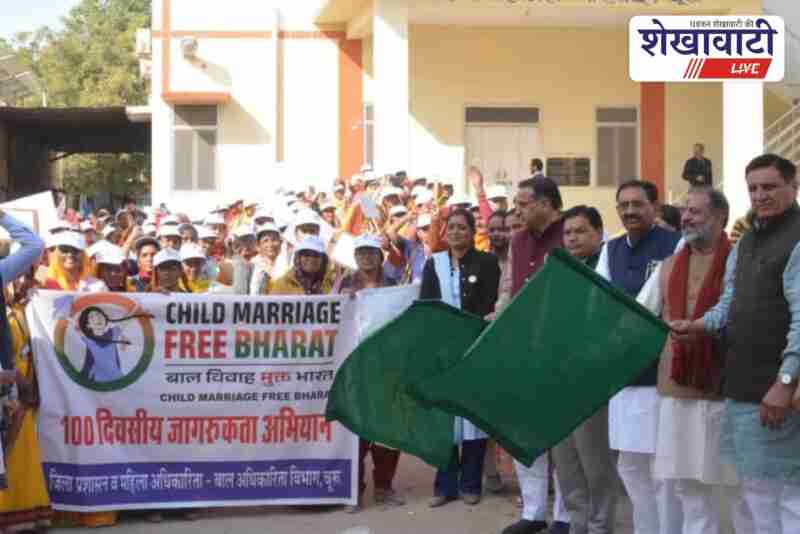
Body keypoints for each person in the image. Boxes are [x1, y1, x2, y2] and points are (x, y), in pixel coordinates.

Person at [671, 154, 800, 534]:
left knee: (787, 496)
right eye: (753, 188)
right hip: (743, 386)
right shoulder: (746, 241)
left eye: (770, 187)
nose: (760, 195)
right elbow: (730, 303)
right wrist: (696, 326)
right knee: (754, 492)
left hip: (777, 391)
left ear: (793, 187)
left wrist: (786, 383)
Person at [644, 187, 753, 534]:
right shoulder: (668, 266)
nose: (686, 217)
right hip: (676, 390)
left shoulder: (741, 260)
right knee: (687, 486)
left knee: (737, 488)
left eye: (695, 211)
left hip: (725, 391)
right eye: (684, 211)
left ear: (720, 216)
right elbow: (641, 315)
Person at [596, 180, 682, 534]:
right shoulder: (611, 249)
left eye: (638, 204)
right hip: (623, 373)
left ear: (654, 206)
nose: (630, 211)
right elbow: (599, 301)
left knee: (662, 466)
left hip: (659, 372)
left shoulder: (675, 245)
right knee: (630, 465)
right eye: (623, 205)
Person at [500, 177, 570, 534]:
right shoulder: (518, 240)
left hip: (562, 350)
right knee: (526, 430)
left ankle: (565, 514)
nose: (518, 210)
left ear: (545, 203)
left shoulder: (571, 233)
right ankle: (533, 512)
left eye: (524, 203)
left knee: (561, 436)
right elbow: (509, 290)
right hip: (524, 349)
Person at [420, 209, 499, 508]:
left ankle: (470, 484)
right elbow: (428, 305)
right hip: (443, 351)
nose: (455, 232)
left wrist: (467, 333)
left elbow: (488, 301)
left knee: (472, 422)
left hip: (475, 347)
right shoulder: (434, 264)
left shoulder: (487, 262)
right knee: (446, 420)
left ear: (471, 231)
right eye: (450, 227)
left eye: (461, 228)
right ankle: (444, 486)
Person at [551, 205, 619, 534]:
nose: (573, 238)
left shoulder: (609, 266)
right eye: (568, 233)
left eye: (581, 231)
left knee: (596, 464)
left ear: (598, 232)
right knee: (566, 464)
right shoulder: (559, 271)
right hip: (559, 378)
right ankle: (578, 525)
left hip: (593, 380)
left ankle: (600, 527)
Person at [333, 234, 405, 513]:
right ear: (355, 257)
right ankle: (353, 489)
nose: (366, 257)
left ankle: (384, 487)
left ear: (380, 256)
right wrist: (341, 302)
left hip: (386, 369)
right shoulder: (343, 284)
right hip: (354, 367)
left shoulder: (393, 286)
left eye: (372, 252)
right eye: (361, 252)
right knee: (355, 432)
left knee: (387, 431)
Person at [0, 265, 52, 532]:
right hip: (8, 391)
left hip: (26, 390)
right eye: (18, 276)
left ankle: (27, 513)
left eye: (27, 276)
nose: (23, 282)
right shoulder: (6, 314)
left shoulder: (24, 310)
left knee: (25, 453)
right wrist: (19, 381)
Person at [269, 236, 336, 295]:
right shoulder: (282, 285)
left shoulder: (333, 284)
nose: (311, 258)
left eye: (316, 255)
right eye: (306, 254)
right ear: (298, 258)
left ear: (323, 260)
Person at [42, 232, 107, 292]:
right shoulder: (45, 284)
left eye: (75, 250)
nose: (70, 254)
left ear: (83, 255)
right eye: (65, 250)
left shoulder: (98, 286)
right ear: (57, 255)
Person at [250, 223, 286, 295]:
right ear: (258, 246)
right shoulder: (252, 266)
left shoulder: (287, 264)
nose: (270, 244)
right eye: (265, 241)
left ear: (281, 242)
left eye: (274, 240)